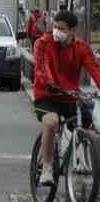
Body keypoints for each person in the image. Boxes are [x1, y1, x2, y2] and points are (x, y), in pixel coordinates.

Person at [32, 10, 100, 186]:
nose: (56, 31)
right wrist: (49, 82)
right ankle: (47, 168)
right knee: (51, 122)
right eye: (55, 27)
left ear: (72, 31)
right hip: (47, 94)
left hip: (70, 96)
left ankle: (79, 158)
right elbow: (41, 67)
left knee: (88, 126)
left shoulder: (81, 48)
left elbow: (94, 70)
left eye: (61, 28)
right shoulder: (43, 43)